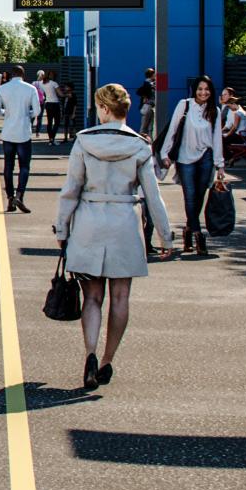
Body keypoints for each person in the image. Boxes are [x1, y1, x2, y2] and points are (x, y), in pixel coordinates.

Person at [55, 82, 171, 390]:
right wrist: (166, 237)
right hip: (124, 223)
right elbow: (153, 196)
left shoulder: (83, 142)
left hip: (89, 222)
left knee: (93, 297)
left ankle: (90, 353)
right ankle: (107, 360)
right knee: (120, 297)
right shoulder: (139, 146)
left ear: (105, 109)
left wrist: (62, 228)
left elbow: (71, 191)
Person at [157, 74, 226, 255]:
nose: (203, 93)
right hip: (184, 157)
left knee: (200, 195)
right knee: (190, 195)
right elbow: (172, 129)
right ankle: (197, 234)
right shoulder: (184, 105)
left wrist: (220, 165)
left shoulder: (214, 111)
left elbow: (217, 138)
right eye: (200, 89)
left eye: (207, 89)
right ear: (194, 90)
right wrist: (165, 153)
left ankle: (188, 230)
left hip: (206, 156)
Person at [0, 64, 41, 212]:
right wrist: (27, 115)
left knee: (8, 166)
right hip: (24, 133)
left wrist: (6, 112)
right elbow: (37, 111)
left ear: (10, 75)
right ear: (23, 75)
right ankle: (20, 195)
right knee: (24, 166)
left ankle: (10, 199)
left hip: (8, 133)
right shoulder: (30, 89)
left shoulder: (2, 88)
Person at [218, 87, 246, 153]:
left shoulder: (238, 112)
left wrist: (227, 134)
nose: (230, 108)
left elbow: (234, 127)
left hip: (240, 136)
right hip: (237, 134)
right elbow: (228, 124)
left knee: (221, 140)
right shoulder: (236, 111)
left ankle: (228, 157)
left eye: (230, 106)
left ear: (233, 104)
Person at [40, 70, 62, 144]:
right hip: (55, 103)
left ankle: (50, 139)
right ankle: (52, 138)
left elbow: (42, 93)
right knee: (57, 122)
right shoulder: (54, 83)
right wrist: (66, 95)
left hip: (48, 103)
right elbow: (60, 94)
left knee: (49, 122)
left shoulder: (42, 83)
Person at [136, 68, 157, 140]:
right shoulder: (148, 84)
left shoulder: (152, 84)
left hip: (151, 106)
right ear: (151, 75)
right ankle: (143, 140)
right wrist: (145, 96)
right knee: (146, 126)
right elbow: (139, 91)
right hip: (148, 106)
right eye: (154, 74)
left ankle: (149, 140)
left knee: (150, 126)